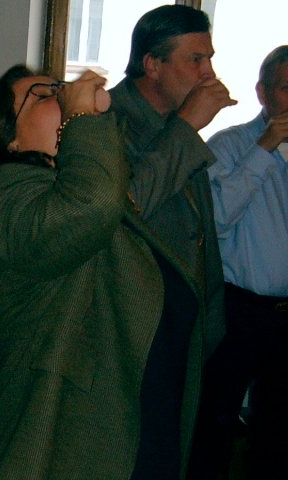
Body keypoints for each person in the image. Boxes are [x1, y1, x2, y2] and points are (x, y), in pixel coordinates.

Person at [0, 61, 216, 479]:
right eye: (43, 95)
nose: (61, 96)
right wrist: (80, 117)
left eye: (61, 88)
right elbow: (91, 207)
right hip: (69, 442)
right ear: (11, 139)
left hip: (135, 422)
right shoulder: (6, 189)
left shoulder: (80, 183)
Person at [186, 45, 288, 480]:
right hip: (237, 312)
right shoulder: (227, 146)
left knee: (279, 439)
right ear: (262, 92)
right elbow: (213, 222)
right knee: (212, 431)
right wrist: (264, 149)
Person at [109, 4, 234, 382]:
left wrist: (211, 320)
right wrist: (188, 124)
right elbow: (125, 207)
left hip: (185, 326)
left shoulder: (176, 123)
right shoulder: (106, 121)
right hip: (133, 333)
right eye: (195, 59)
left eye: (209, 58)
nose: (208, 72)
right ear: (152, 64)